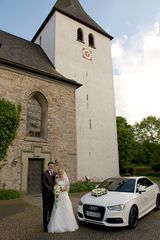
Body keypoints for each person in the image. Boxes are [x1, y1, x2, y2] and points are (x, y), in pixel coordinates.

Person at [48, 167, 79, 233]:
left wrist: (61, 190)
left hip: (64, 195)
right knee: (57, 209)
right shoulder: (57, 178)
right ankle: (57, 225)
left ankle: (68, 224)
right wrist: (56, 189)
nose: (60, 173)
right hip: (58, 196)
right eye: (59, 172)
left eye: (61, 172)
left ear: (63, 172)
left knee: (66, 208)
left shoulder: (65, 178)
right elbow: (56, 185)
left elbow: (67, 188)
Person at [42, 161, 56, 232]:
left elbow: (56, 182)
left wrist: (56, 189)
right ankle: (45, 226)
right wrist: (51, 189)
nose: (51, 167)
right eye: (50, 166)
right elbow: (44, 183)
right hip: (46, 195)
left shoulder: (55, 173)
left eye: (52, 166)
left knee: (51, 210)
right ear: (48, 166)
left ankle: (50, 224)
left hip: (53, 196)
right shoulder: (44, 173)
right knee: (45, 210)